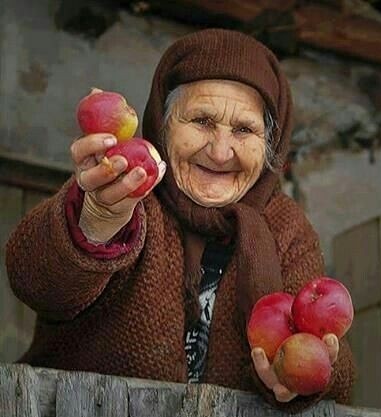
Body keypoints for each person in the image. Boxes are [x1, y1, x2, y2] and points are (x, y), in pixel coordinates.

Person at [6, 28, 355, 412]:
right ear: (163, 123)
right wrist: (97, 221)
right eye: (202, 121)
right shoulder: (124, 189)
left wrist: (309, 374)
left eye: (244, 130)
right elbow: (35, 282)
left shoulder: (286, 227)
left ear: (270, 143)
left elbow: (341, 372)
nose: (221, 152)